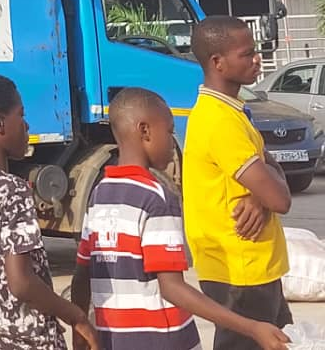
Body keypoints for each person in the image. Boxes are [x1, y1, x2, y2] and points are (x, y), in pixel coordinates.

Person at [71, 87, 289, 350]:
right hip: (164, 340)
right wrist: (251, 327)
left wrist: (80, 331)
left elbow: (82, 276)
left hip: (114, 340)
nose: (173, 141)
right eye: (170, 130)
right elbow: (172, 289)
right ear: (145, 131)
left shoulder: (99, 194)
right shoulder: (157, 198)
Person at [0, 73, 100, 350]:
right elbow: (22, 283)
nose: (26, 125)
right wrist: (76, 316)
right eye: (21, 115)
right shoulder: (12, 190)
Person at [183, 16, 293, 350]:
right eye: (247, 54)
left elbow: (271, 182)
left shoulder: (231, 112)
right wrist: (267, 191)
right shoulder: (219, 121)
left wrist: (261, 193)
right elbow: (281, 199)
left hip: (252, 265)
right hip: (239, 270)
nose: (257, 59)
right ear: (217, 62)